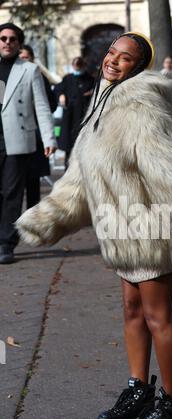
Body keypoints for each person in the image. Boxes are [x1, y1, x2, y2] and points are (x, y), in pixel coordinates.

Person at [16, 32, 172, 419]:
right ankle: (140, 391)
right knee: (132, 311)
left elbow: (171, 171)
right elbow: (82, 173)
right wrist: (48, 217)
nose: (113, 62)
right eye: (111, 53)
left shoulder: (138, 104)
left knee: (160, 317)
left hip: (155, 226)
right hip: (122, 228)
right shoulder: (104, 98)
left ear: (139, 67)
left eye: (125, 58)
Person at [0, 23, 56, 264]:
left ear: (19, 43)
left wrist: (49, 138)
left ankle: (6, 244)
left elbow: (42, 106)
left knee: (13, 193)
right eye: (2, 38)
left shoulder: (30, 69)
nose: (7, 42)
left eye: (12, 39)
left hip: (17, 138)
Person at [19, 44, 57, 208]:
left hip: (34, 135)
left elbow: (50, 105)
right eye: (20, 57)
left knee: (32, 180)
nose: (22, 60)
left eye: (26, 57)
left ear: (32, 59)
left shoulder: (39, 77)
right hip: (11, 137)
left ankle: (31, 215)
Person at [55, 57, 94, 169]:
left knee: (83, 148)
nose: (77, 69)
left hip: (83, 117)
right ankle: (67, 171)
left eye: (79, 67)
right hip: (69, 118)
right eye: (75, 66)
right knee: (69, 149)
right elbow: (58, 89)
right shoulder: (67, 78)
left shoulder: (90, 79)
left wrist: (90, 94)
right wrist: (61, 95)